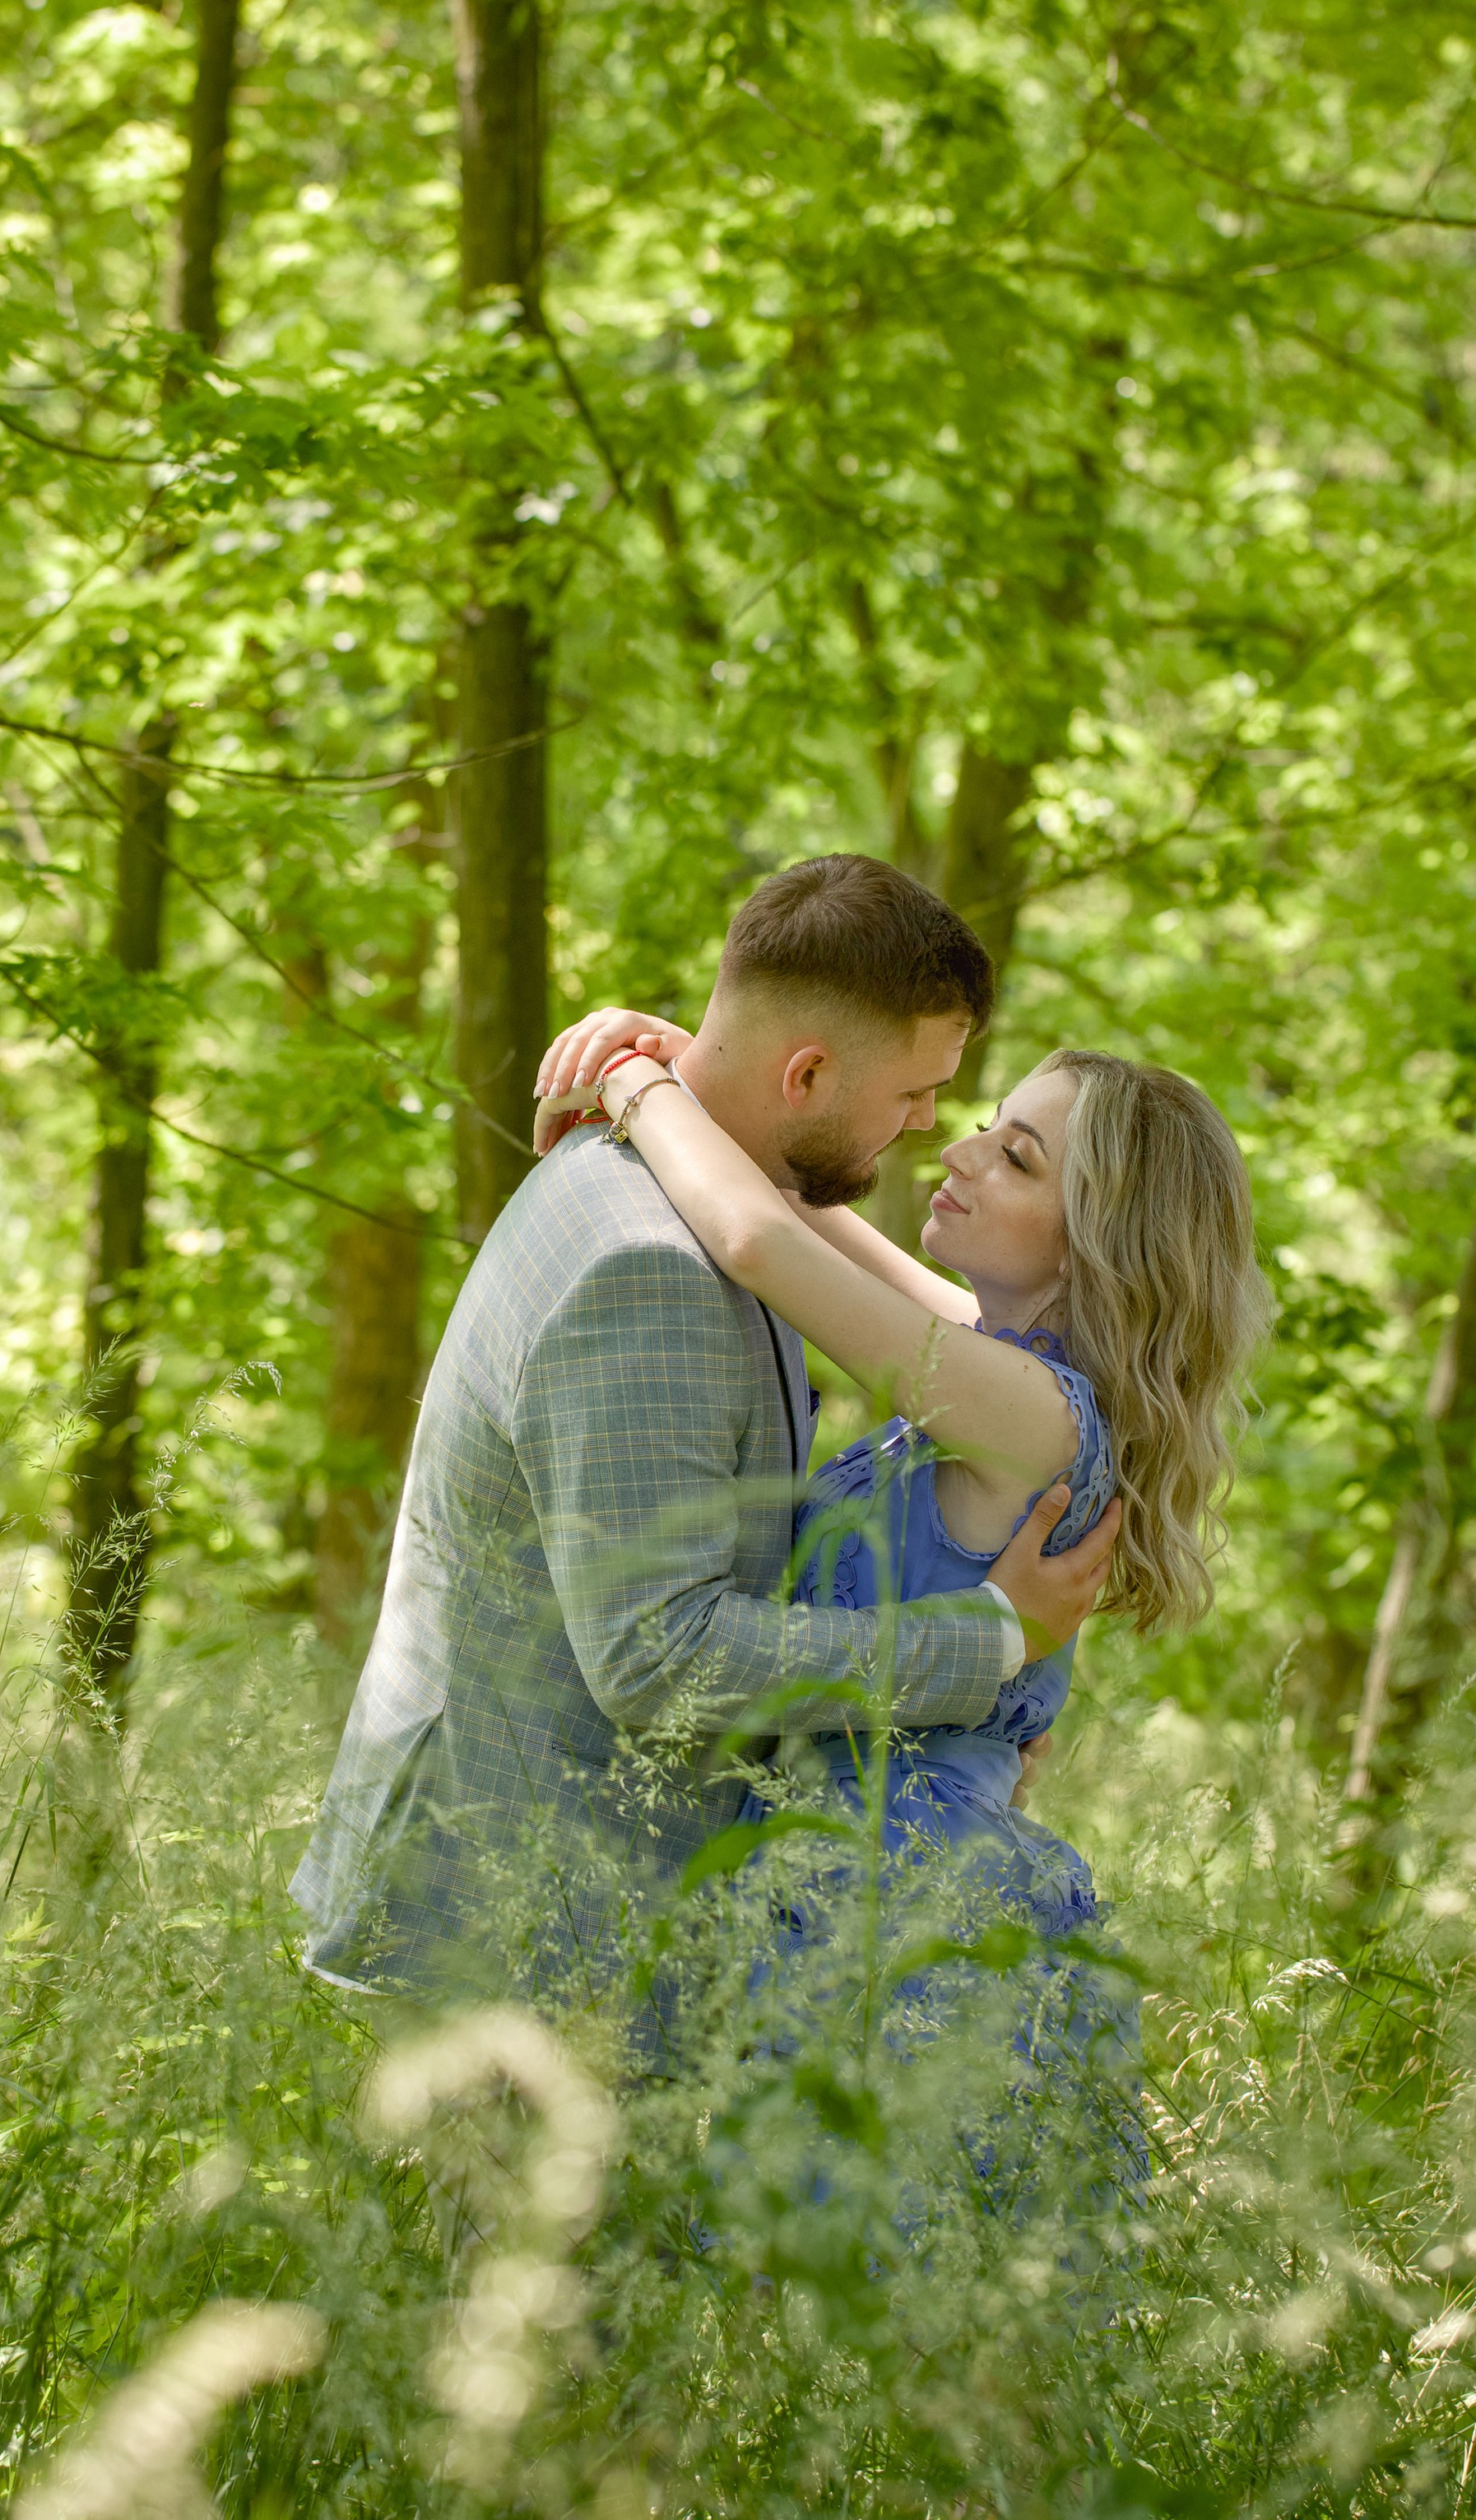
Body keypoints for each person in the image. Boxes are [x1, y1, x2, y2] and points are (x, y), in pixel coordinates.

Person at [290, 856, 1120, 2007]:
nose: (933, 1129)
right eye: (920, 1094)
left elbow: (775, 1228)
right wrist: (988, 1652)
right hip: (508, 1931)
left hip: (625, 1918)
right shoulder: (652, 1265)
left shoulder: (667, 1186)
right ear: (811, 1072)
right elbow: (660, 1657)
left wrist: (656, 1077)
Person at [530, 1007, 1270, 1974]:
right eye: (989, 1125)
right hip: (842, 1880)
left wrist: (635, 1082)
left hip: (899, 1908)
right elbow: (804, 1219)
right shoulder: (999, 1367)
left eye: (1016, 1158)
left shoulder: (1028, 1412)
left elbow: (754, 1238)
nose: (960, 1153)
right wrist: (710, 1071)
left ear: (1093, 1244)